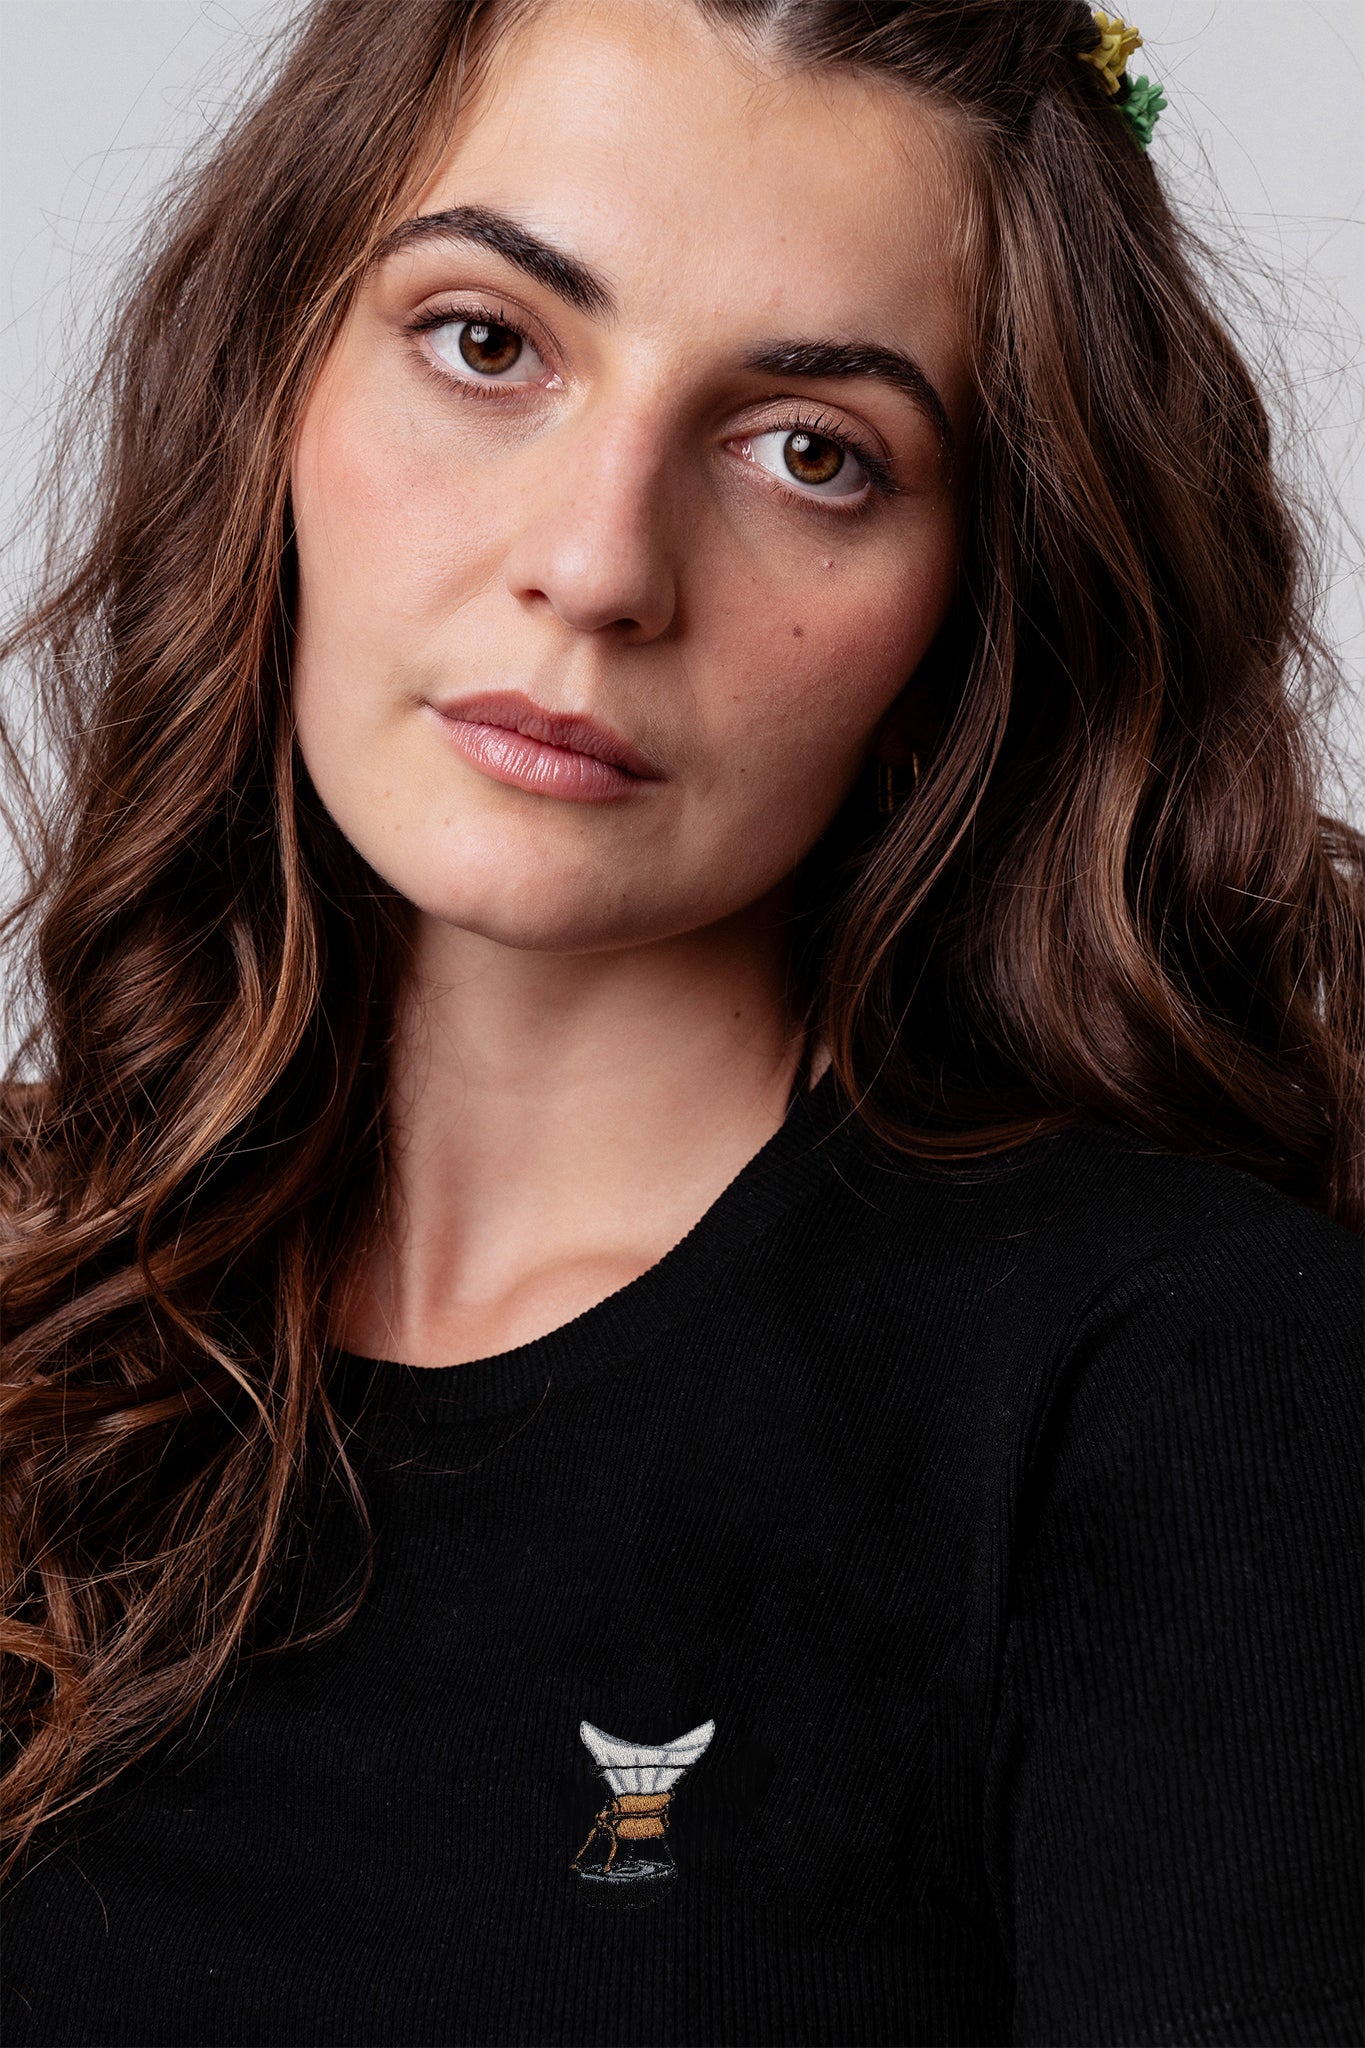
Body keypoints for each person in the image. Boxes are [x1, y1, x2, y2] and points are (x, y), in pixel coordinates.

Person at [1, 1, 1360, 2042]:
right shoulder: (43, 1302)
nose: (596, 564)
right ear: (268, 383)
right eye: (487, 342)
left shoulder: (1184, 1388)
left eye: (812, 452)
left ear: (971, 602)